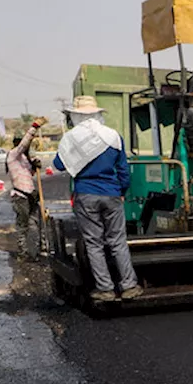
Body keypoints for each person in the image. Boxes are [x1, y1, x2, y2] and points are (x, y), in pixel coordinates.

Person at [52, 96, 142, 302]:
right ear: (98, 113)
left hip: (86, 194)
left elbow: (58, 164)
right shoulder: (113, 137)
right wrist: (122, 191)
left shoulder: (71, 138)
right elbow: (123, 171)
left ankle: (106, 289)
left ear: (76, 115)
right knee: (118, 241)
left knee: (94, 243)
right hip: (111, 194)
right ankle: (129, 285)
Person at [6, 117, 45, 259]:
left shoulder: (24, 158)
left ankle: (37, 251)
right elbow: (23, 144)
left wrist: (35, 167)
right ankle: (22, 253)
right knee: (23, 226)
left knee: (35, 224)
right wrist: (34, 127)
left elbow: (28, 176)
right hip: (20, 197)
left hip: (31, 195)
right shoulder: (13, 155)